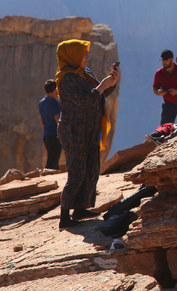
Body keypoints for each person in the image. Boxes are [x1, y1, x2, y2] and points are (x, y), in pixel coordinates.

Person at [55, 39, 120, 229]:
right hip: (75, 132)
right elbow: (85, 101)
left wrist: (112, 82)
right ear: (73, 55)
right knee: (77, 172)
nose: (87, 58)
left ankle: (81, 208)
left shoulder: (85, 73)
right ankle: (65, 216)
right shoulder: (66, 79)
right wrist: (102, 86)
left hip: (90, 130)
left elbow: (99, 94)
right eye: (84, 54)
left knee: (91, 168)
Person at [38, 79, 62, 170]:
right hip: (54, 135)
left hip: (46, 135)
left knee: (54, 159)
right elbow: (58, 119)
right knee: (52, 161)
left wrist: (46, 130)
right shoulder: (55, 103)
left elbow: (41, 120)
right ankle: (45, 175)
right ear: (55, 90)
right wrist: (61, 133)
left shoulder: (41, 103)